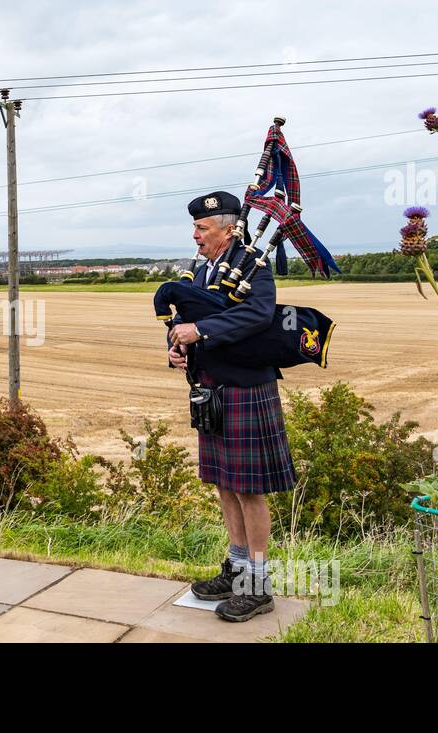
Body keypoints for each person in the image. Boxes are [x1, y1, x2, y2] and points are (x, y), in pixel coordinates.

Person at [166, 192, 298, 623]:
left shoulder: (253, 267)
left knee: (248, 489)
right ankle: (238, 568)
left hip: (246, 387)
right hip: (211, 389)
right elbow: (184, 322)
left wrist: (199, 330)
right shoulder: (203, 270)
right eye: (196, 228)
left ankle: (258, 586)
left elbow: (257, 316)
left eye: (202, 228)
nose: (196, 235)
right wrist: (176, 347)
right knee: (224, 483)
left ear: (228, 228)